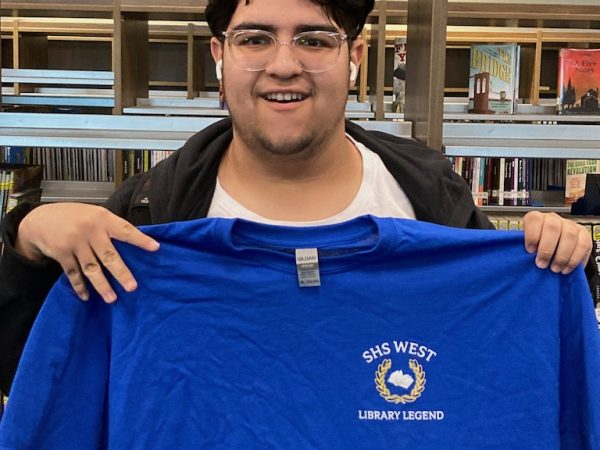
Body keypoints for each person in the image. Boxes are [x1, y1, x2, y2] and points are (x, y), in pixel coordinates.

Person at [0, 0, 594, 395]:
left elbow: (501, 357)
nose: (284, 65)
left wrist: (554, 258)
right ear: (220, 56)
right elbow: (32, 372)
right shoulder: (146, 215)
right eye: (255, 38)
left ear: (354, 58)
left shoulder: (431, 196)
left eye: (313, 39)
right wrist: (27, 244)